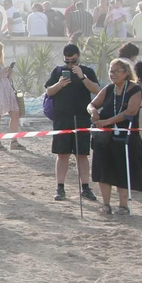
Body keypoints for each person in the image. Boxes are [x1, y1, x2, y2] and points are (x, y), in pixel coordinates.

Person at [88, 57, 142, 216]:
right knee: (103, 171)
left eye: (116, 71)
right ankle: (105, 204)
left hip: (124, 138)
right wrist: (93, 111)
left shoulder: (135, 89)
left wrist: (107, 121)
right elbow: (92, 104)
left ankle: (123, 205)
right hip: (104, 139)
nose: (112, 74)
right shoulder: (108, 89)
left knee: (122, 170)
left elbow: (131, 112)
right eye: (110, 71)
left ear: (126, 73)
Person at [45, 42, 99, 202]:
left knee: (81, 154)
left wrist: (82, 77)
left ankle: (85, 187)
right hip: (62, 118)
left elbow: (96, 90)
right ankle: (60, 187)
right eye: (67, 61)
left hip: (81, 117)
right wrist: (59, 85)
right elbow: (48, 91)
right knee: (62, 154)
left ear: (79, 58)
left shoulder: (87, 71)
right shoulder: (57, 71)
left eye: (73, 61)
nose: (70, 64)